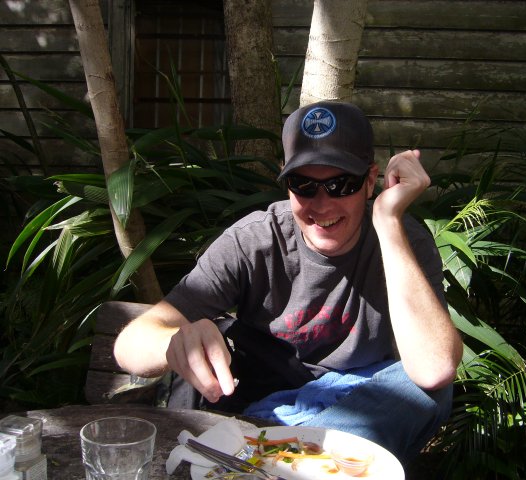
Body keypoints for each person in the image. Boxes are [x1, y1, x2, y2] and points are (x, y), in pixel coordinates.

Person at [113, 101, 463, 464]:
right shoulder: (254, 240)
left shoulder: (403, 239)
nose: (322, 205)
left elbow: (434, 368)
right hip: (267, 410)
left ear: (370, 181)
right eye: (303, 185)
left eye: (341, 185)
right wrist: (174, 342)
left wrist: (388, 222)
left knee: (428, 390)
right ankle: (296, 459)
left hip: (358, 402)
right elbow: (129, 346)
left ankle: (280, 460)